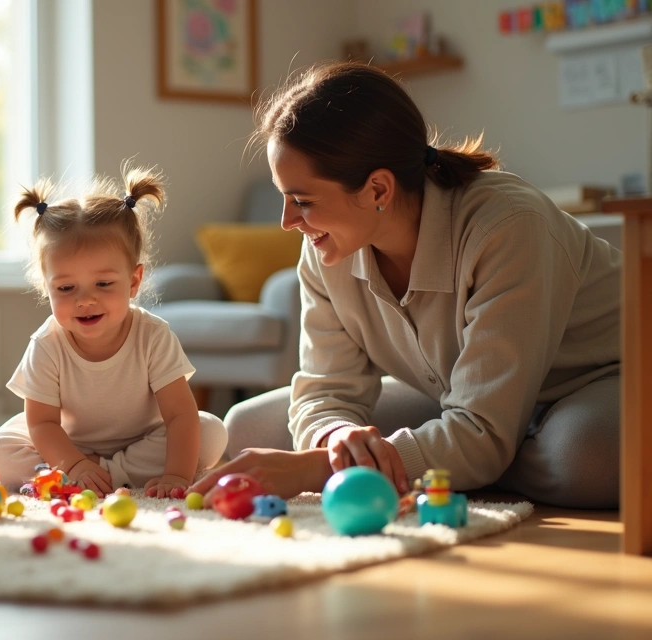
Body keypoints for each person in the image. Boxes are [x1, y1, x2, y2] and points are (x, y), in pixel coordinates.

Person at [190, 62, 621, 509]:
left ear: (377, 189)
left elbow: (482, 427)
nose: (286, 222)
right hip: (458, 400)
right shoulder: (326, 248)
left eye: (302, 201)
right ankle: (463, 463)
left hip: (598, 384)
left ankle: (479, 460)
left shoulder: (508, 226)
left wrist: (320, 468)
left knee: (582, 461)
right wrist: (339, 439)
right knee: (248, 428)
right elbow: (326, 389)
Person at [0, 166, 228, 498]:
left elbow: (179, 414)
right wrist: (75, 464)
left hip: (142, 440)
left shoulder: (153, 335)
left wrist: (177, 475)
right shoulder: (47, 344)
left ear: (134, 281)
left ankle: (101, 475)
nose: (86, 300)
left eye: (103, 284)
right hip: (65, 442)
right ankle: (97, 474)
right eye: (65, 287)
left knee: (210, 433)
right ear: (46, 288)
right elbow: (43, 425)